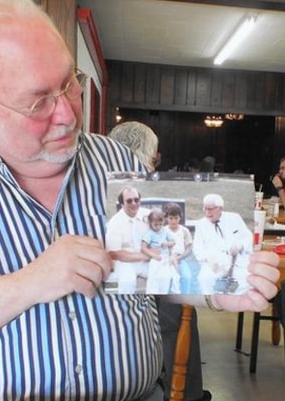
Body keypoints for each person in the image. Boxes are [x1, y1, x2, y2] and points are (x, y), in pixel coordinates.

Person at [0, 1, 279, 400]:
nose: (67, 114)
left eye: (69, 82)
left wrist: (214, 290)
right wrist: (29, 283)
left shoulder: (120, 161)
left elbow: (156, 268)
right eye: (37, 102)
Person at [108, 121, 211, 400]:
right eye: (154, 157)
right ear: (149, 155)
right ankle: (187, 393)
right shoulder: (146, 185)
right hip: (131, 284)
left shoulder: (101, 182)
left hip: (106, 283)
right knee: (180, 312)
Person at [193, 194, 253, 295]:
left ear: (220, 208)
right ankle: (215, 303)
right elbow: (197, 248)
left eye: (210, 209)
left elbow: (248, 237)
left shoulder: (234, 218)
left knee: (246, 280)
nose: (207, 213)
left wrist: (240, 245)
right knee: (206, 278)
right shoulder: (200, 224)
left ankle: (235, 304)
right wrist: (208, 258)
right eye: (205, 209)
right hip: (214, 262)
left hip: (236, 261)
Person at [105, 186, 151, 294]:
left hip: (146, 260)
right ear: (122, 204)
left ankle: (155, 305)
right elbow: (114, 253)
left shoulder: (148, 215)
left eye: (136, 199)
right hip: (125, 263)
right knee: (127, 281)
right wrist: (143, 256)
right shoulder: (115, 223)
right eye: (129, 201)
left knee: (163, 275)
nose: (134, 203)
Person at [141, 208, 178, 294]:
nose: (158, 227)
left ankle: (162, 293)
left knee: (165, 277)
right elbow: (143, 247)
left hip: (165, 258)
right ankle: (152, 293)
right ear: (150, 223)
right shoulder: (149, 234)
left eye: (160, 224)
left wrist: (167, 244)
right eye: (155, 225)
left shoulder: (164, 231)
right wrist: (153, 255)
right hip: (155, 259)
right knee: (154, 277)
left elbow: (173, 242)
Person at [164, 202, 198, 294]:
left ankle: (184, 297)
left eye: (176, 218)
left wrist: (179, 257)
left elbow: (189, 247)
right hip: (167, 260)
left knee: (187, 277)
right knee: (168, 278)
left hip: (181, 259)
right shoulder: (163, 231)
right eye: (171, 218)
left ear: (180, 217)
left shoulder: (184, 231)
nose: (173, 221)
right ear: (166, 218)